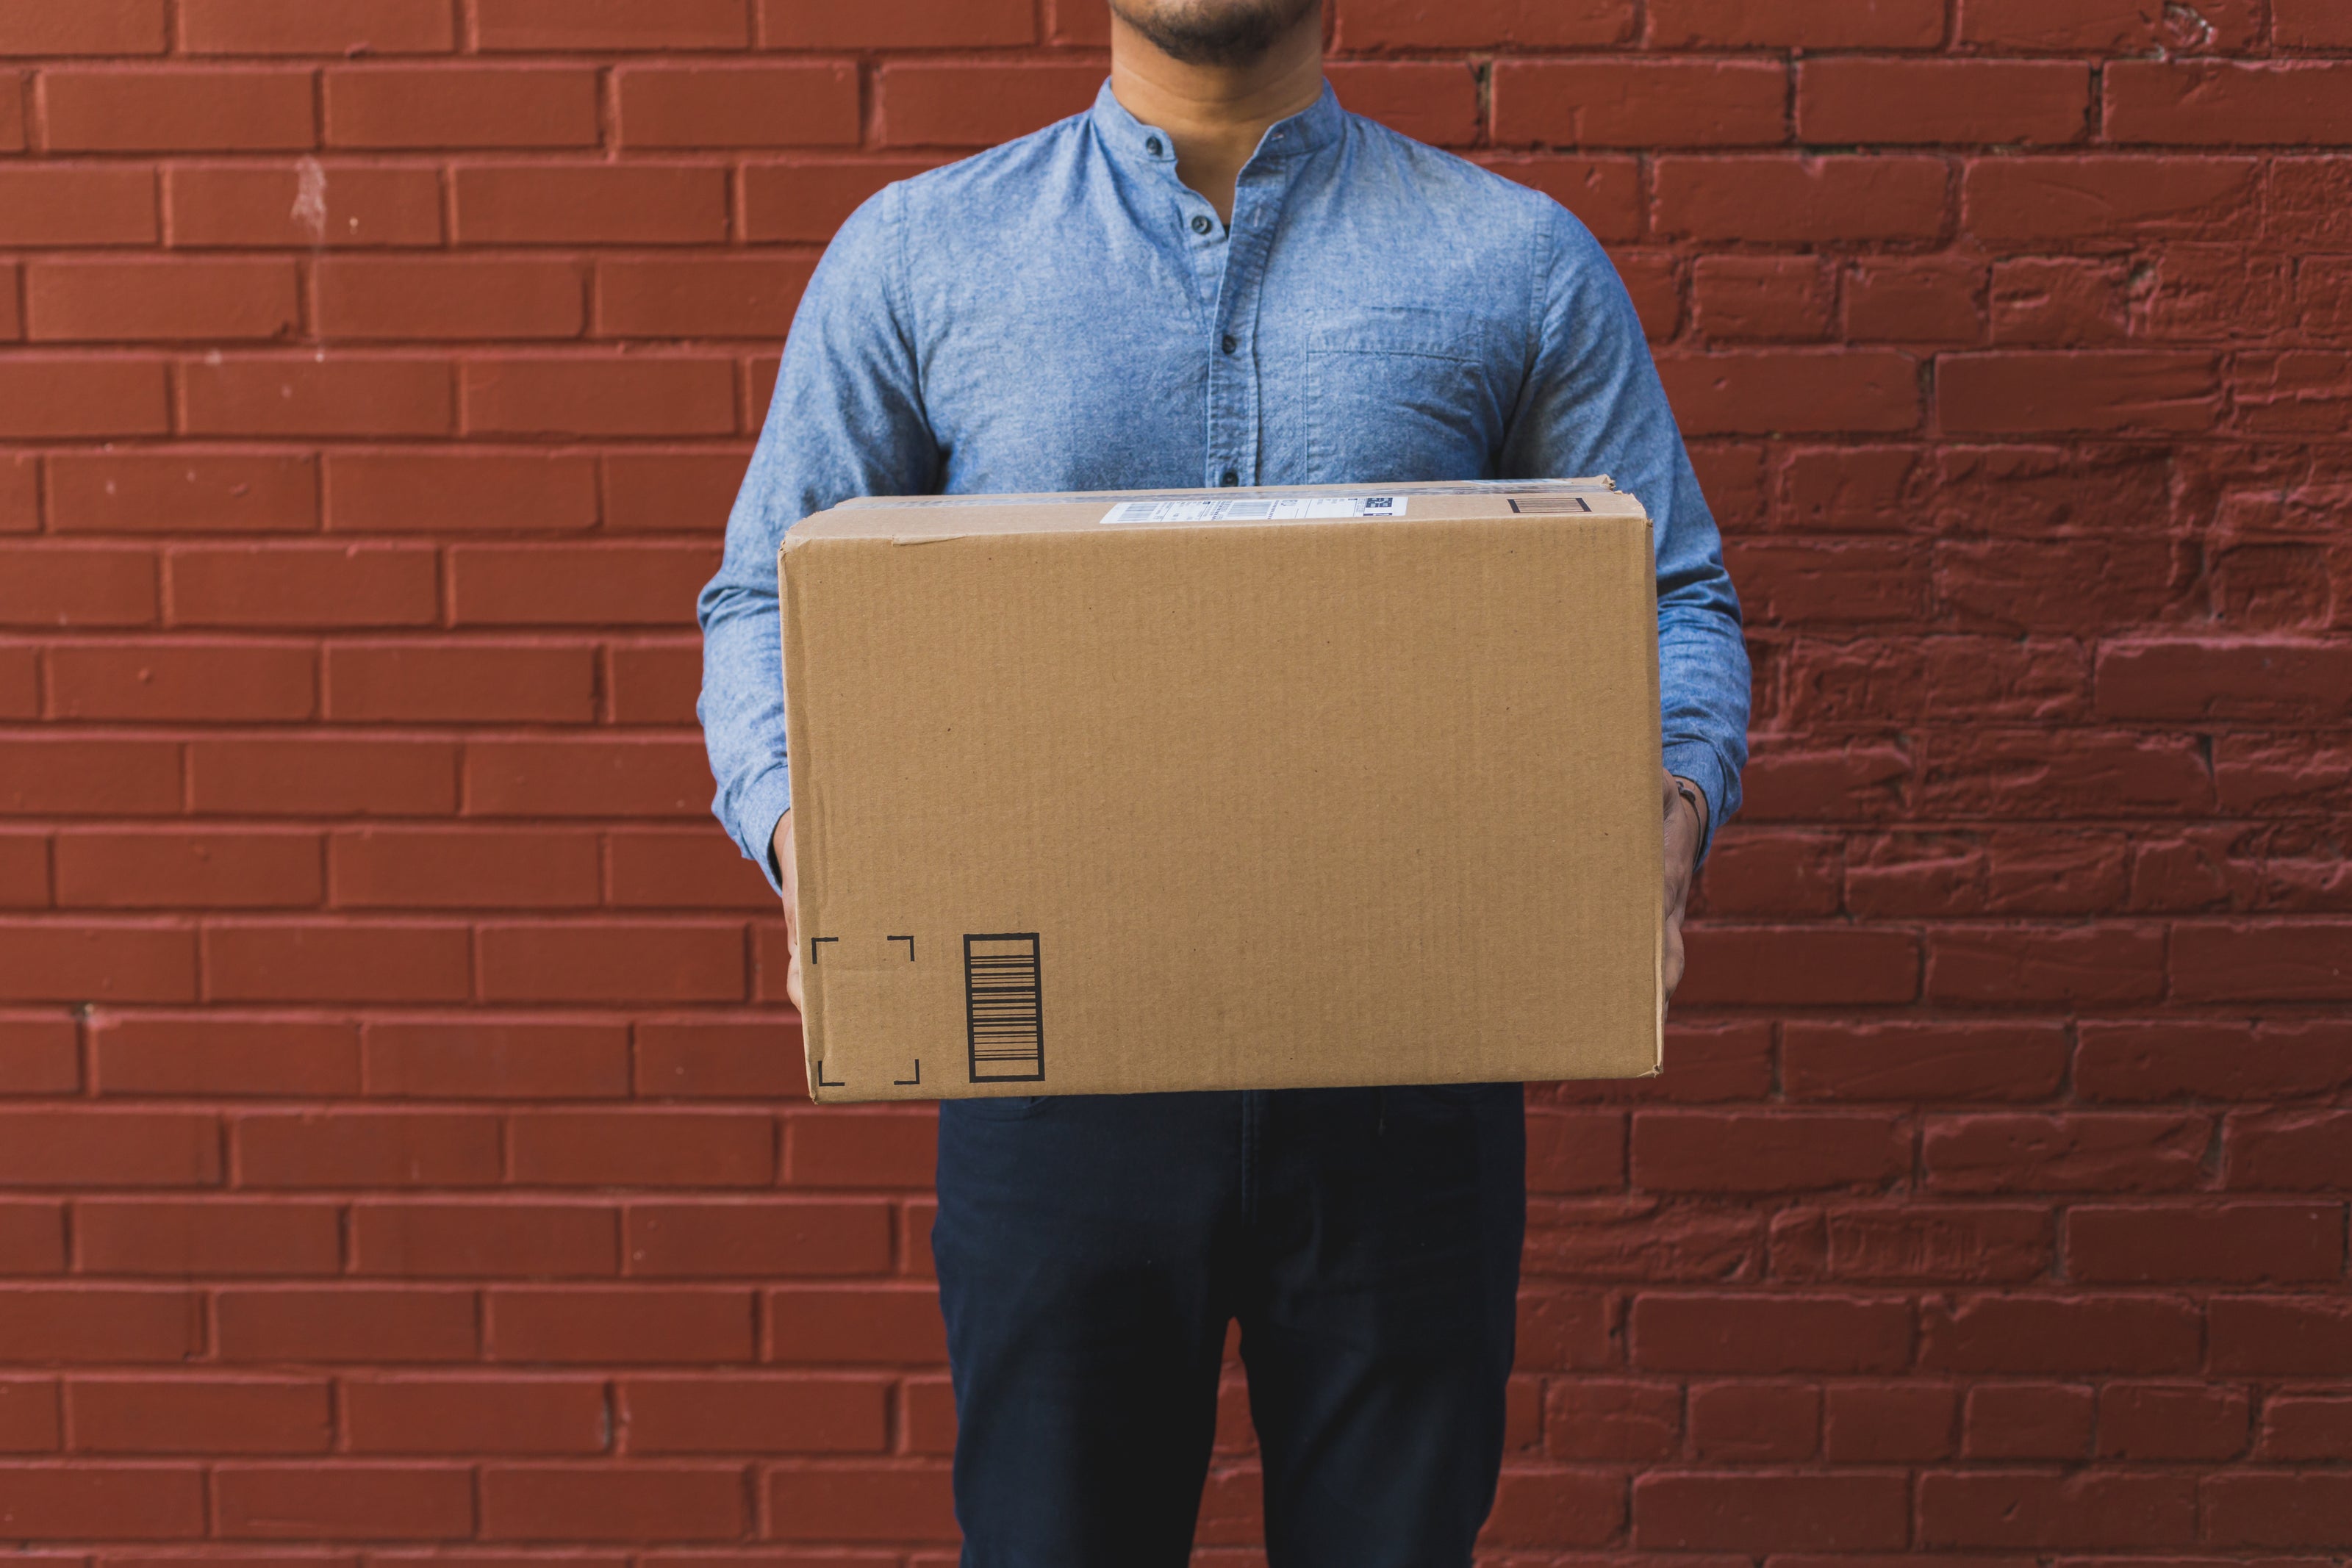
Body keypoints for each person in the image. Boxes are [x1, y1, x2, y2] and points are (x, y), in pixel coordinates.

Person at [697, 0, 1750, 1561]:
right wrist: (821, 839)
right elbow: (761, 601)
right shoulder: (921, 255)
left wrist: (1660, 812)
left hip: (1410, 1057)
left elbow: (1675, 597)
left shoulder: (1509, 260)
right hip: (1050, 1061)